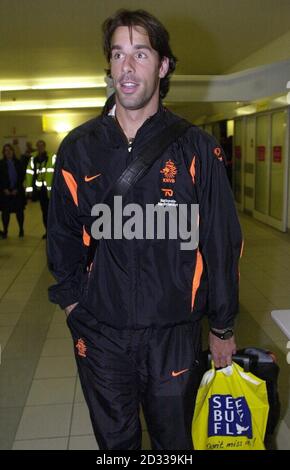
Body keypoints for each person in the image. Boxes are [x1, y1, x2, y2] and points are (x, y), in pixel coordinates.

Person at [47, 9, 243, 450]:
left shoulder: (196, 147)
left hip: (173, 333)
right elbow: (61, 235)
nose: (127, 67)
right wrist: (74, 305)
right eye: (118, 55)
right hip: (100, 332)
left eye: (140, 53)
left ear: (163, 65)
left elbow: (222, 243)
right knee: (115, 447)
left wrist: (223, 327)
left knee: (174, 445)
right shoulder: (78, 149)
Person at [25, 140, 56, 238]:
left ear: (45, 146)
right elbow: (29, 174)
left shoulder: (52, 157)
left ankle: (54, 232)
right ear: (36, 147)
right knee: (45, 212)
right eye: (38, 146)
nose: (40, 147)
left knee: (53, 212)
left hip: (51, 190)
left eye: (42, 145)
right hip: (41, 191)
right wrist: (29, 189)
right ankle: (47, 231)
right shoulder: (33, 159)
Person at [0, 143, 26, 238]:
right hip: (5, 192)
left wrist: (17, 189)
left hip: (17, 191)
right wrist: (4, 189)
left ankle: (21, 230)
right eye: (6, 150)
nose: (8, 152)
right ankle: (5, 231)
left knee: (19, 212)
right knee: (5, 213)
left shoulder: (18, 163)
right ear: (4, 152)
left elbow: (22, 177)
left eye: (9, 150)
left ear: (12, 151)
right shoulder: (1, 164)